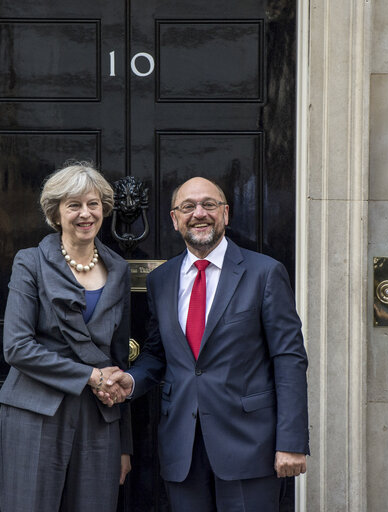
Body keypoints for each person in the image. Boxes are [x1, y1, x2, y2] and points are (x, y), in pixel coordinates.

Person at [102, 176, 309, 512]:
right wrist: (131, 381)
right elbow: (158, 354)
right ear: (174, 219)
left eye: (209, 204)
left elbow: (289, 359)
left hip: (249, 446)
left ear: (225, 214)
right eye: (188, 207)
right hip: (182, 448)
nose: (199, 213)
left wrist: (292, 442)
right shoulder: (161, 279)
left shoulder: (265, 273)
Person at [0, 162, 132, 512]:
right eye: (74, 205)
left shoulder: (118, 270)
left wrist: (124, 445)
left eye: (93, 203)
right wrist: (90, 376)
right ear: (55, 213)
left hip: (100, 418)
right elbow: (17, 347)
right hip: (36, 410)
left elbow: (119, 358)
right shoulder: (30, 263)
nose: (85, 213)